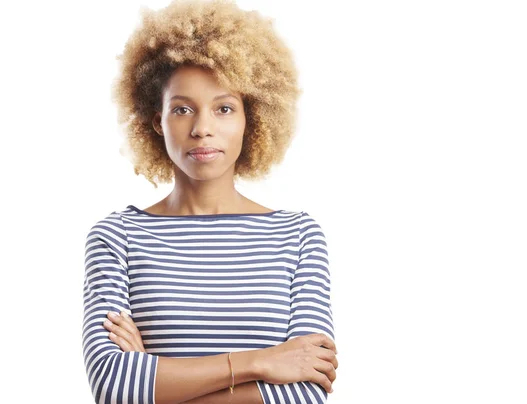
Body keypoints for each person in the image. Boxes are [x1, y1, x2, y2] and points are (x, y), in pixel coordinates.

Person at [81, 0, 337, 403]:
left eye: (224, 108)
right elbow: (113, 385)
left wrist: (156, 381)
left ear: (250, 118)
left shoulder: (298, 235)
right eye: (182, 109)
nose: (202, 129)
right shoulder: (118, 237)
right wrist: (261, 362)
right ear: (156, 121)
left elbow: (306, 391)